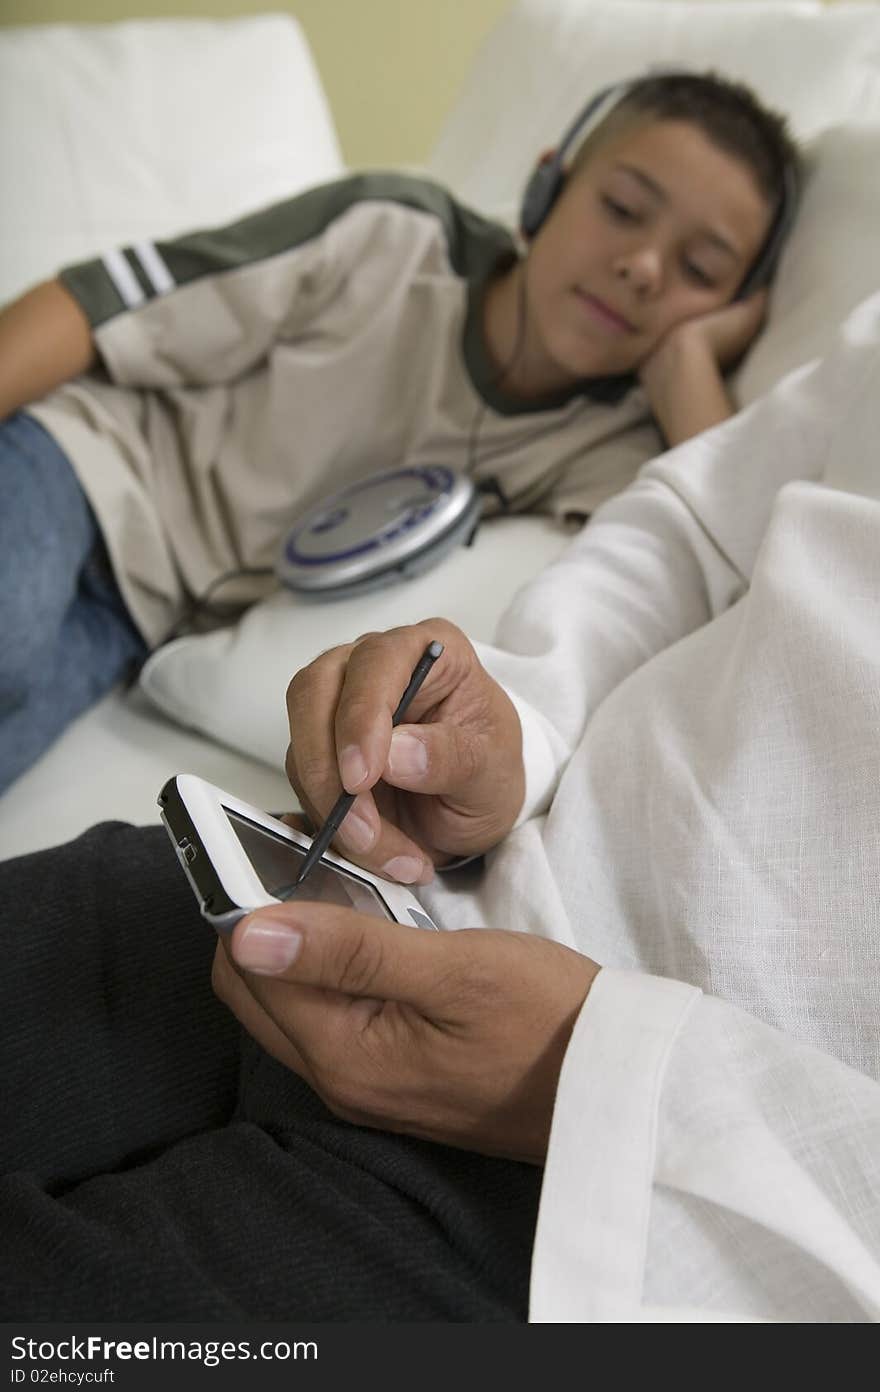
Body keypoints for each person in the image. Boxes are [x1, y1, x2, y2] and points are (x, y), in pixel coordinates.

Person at [2, 289, 880, 1323]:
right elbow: (687, 537)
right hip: (376, 901)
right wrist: (515, 728)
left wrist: (612, 1071)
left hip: (615, 1242)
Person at [0, 71, 800, 792]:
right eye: (622, 210)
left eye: (700, 270)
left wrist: (688, 364)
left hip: (136, 620)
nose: (645, 267)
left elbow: (741, 602)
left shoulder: (614, 448)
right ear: (545, 192)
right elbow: (92, 303)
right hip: (84, 464)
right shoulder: (390, 233)